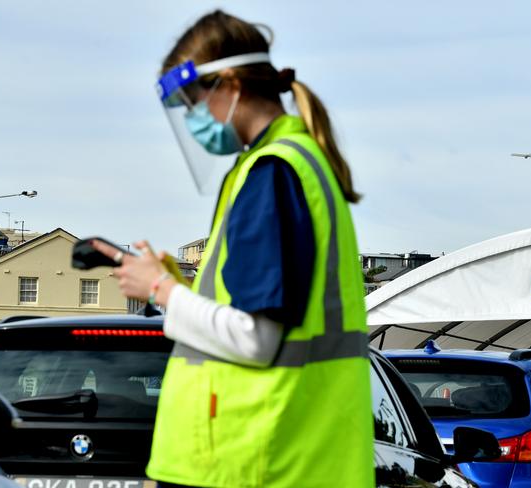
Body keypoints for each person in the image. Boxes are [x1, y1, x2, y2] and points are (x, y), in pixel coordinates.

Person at [92, 10, 373, 488]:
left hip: (253, 459)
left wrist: (159, 289)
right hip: (287, 456)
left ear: (228, 84)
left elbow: (255, 340)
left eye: (190, 101)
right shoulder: (296, 163)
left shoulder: (271, 174)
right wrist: (178, 285)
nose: (190, 118)